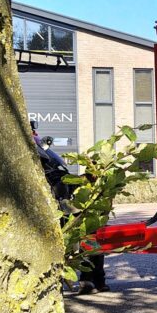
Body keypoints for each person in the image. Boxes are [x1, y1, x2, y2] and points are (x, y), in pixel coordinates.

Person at [30, 120, 107, 293]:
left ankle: (93, 282)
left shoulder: (92, 185)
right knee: (90, 242)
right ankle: (92, 282)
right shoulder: (87, 183)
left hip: (83, 216)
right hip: (82, 216)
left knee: (89, 241)